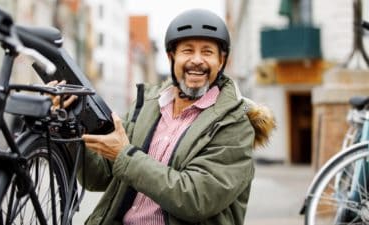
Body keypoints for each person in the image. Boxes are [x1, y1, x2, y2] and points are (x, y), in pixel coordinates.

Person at [55, 8, 275, 225]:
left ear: (221, 61)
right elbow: (98, 178)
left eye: (207, 52)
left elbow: (196, 198)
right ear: (172, 57)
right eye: (187, 51)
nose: (197, 60)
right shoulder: (147, 106)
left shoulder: (235, 124)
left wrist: (125, 155)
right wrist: (71, 125)